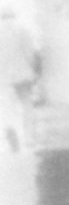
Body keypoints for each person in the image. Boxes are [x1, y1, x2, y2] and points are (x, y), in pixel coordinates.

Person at [0, 8, 39, 152]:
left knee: (8, 108)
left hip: (4, 77)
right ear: (14, 16)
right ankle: (29, 138)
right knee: (27, 106)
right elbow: (30, 54)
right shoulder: (22, 31)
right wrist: (34, 71)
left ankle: (11, 136)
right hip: (23, 75)